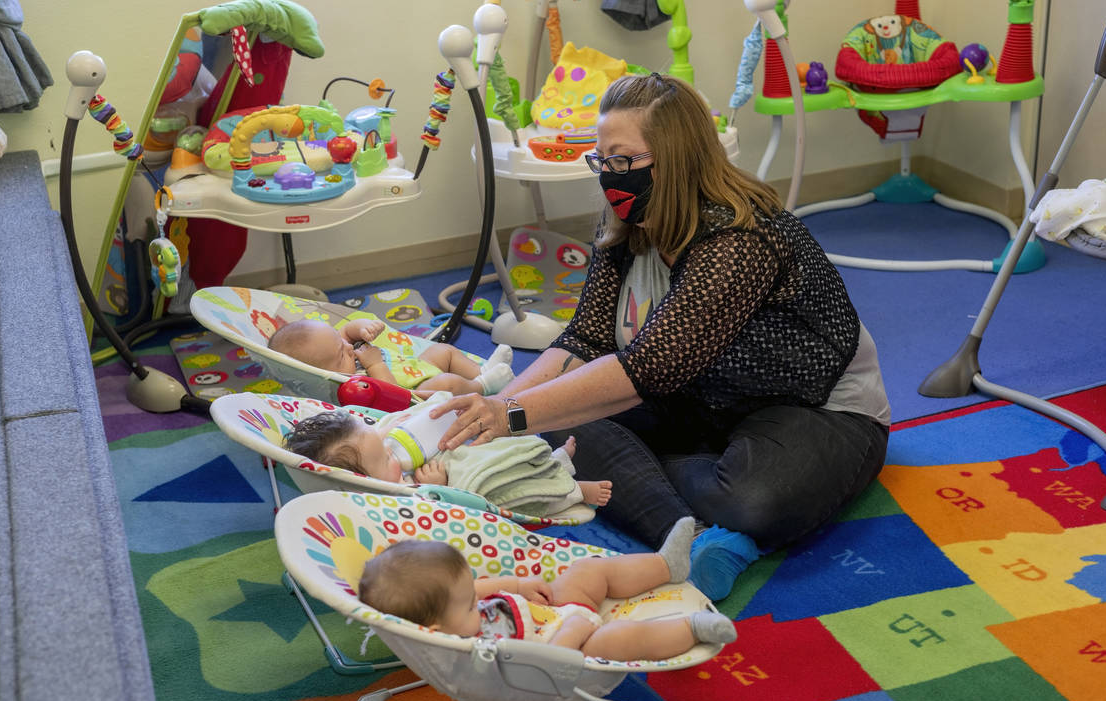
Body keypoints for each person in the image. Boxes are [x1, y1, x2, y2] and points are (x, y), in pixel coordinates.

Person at [428, 73, 891, 601]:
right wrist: (501, 405)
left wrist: (514, 415)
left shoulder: (740, 239)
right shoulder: (628, 221)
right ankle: (688, 535)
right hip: (692, 400)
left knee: (753, 501)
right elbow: (586, 338)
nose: (609, 176)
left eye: (623, 160)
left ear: (677, 158)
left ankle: (674, 492)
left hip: (811, 408)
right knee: (547, 420)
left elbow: (649, 368)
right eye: (601, 159)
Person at [358, 519, 737, 661]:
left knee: (587, 571)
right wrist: (574, 631)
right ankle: (691, 629)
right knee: (622, 639)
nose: (478, 598)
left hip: (551, 608)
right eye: (471, 604)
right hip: (568, 642)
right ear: (436, 630)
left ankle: (665, 565)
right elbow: (543, 663)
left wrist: (519, 585)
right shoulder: (474, 651)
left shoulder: (454, 606)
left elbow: (478, 586)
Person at [283, 409, 614, 513]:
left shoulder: (372, 465)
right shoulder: (395, 498)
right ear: (365, 481)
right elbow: (444, 512)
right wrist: (435, 489)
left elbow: (378, 440)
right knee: (511, 496)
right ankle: (569, 487)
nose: (391, 454)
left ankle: (544, 458)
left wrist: (387, 433)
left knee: (477, 443)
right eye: (385, 459)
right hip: (461, 494)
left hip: (446, 462)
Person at [267, 317, 515, 396]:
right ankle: (483, 386)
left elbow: (346, 332)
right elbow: (392, 393)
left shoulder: (339, 348)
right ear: (325, 376)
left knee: (444, 351)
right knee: (446, 383)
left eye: (341, 342)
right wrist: (374, 364)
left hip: (414, 367)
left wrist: (362, 327)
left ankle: (481, 371)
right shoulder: (350, 388)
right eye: (341, 354)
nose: (349, 347)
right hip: (415, 390)